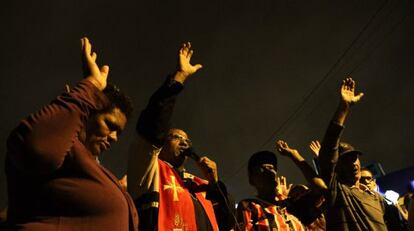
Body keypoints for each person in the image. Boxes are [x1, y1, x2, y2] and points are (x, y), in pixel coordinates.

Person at [5, 37, 138, 230]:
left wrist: (117, 191)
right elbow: (35, 149)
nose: (115, 137)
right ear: (86, 114)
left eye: (119, 132)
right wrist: (89, 88)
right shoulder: (60, 144)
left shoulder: (88, 164)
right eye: (110, 124)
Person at [127, 42, 234, 231]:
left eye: (187, 140)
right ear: (160, 144)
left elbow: (226, 223)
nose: (184, 142)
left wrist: (214, 183)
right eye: (176, 137)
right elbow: (153, 126)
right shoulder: (148, 169)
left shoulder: (198, 184)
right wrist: (179, 77)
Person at [318, 77, 388, 230]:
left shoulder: (376, 198)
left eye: (354, 158)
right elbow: (329, 149)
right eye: (346, 160)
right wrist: (344, 108)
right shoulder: (337, 191)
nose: (353, 163)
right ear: (337, 167)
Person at [236, 150, 305, 230]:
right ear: (252, 180)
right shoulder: (250, 206)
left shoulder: (290, 205)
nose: (269, 172)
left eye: (271, 168)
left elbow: (320, 190)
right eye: (262, 169)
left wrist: (294, 155)